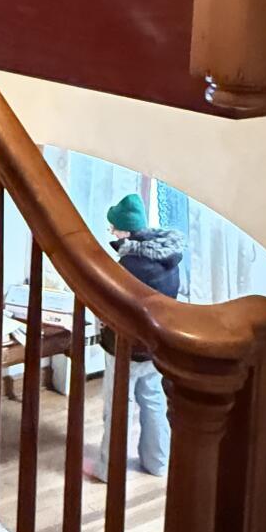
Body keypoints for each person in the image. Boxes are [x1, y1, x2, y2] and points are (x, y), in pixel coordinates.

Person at [85, 192, 184, 485]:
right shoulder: (169, 259)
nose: (112, 233)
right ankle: (158, 461)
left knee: (117, 405)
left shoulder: (130, 267)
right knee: (152, 399)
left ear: (126, 230)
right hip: (155, 345)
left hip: (125, 345)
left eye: (114, 228)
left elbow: (114, 305)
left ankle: (109, 468)